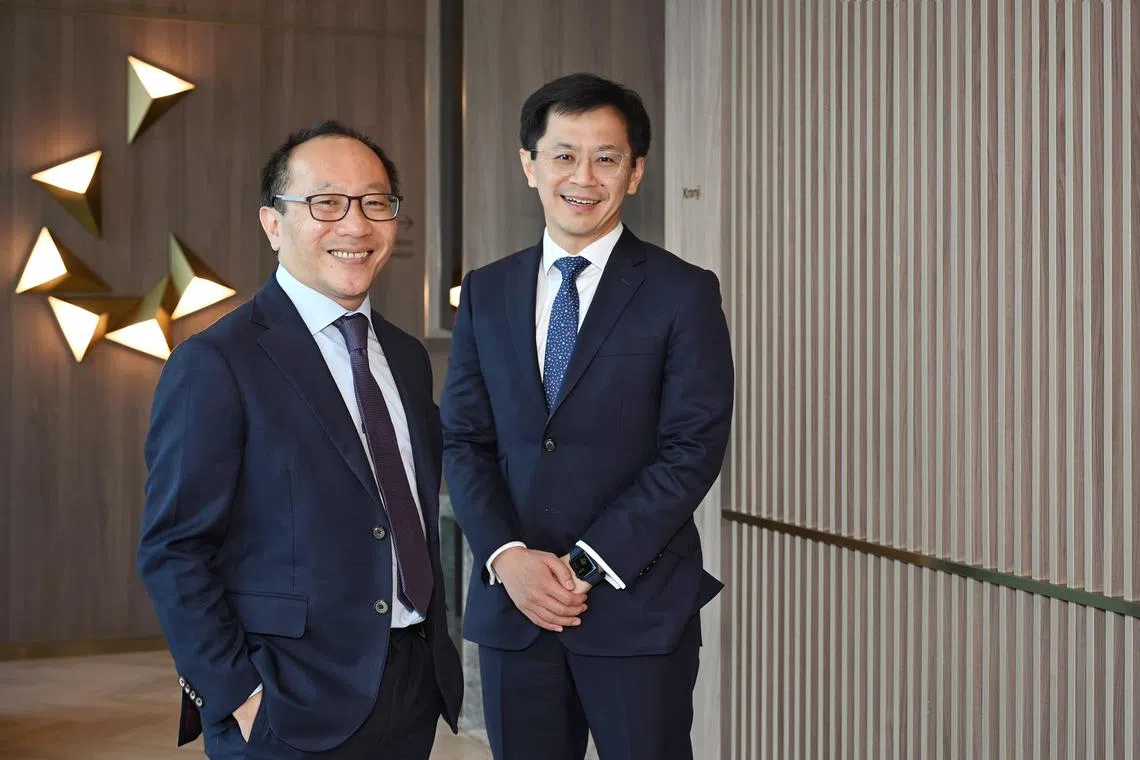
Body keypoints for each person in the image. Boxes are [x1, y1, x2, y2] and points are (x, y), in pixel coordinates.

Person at [137, 120, 462, 760]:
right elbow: (174, 547)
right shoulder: (216, 362)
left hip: (411, 683)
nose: (355, 225)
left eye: (375, 203)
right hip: (286, 697)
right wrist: (236, 692)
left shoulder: (405, 355)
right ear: (272, 223)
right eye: (326, 203)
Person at [440, 73, 733, 760]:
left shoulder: (683, 292)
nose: (584, 176)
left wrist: (587, 564)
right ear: (530, 165)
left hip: (636, 605)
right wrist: (508, 557)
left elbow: (692, 445)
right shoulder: (486, 290)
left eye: (606, 157)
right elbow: (465, 437)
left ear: (635, 173)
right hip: (515, 607)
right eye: (564, 154)